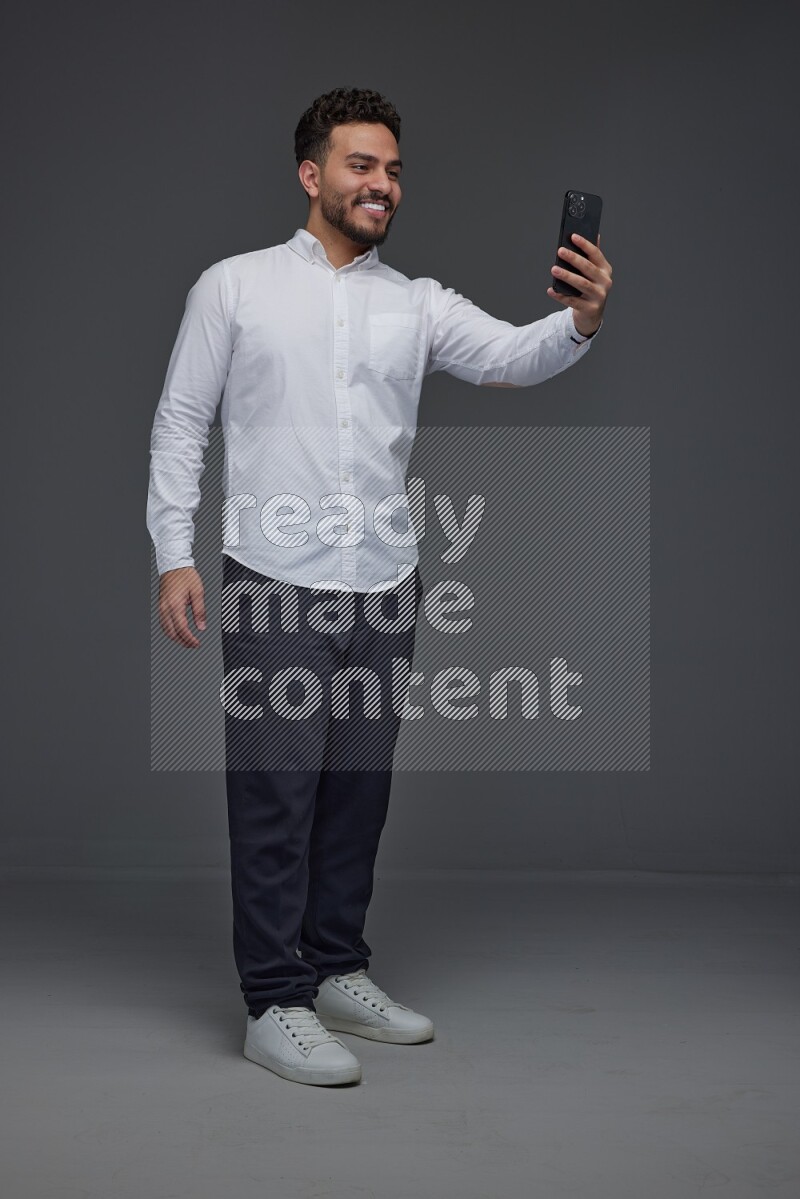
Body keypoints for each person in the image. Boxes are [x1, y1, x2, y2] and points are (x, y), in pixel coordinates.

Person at [146, 86, 613, 1088]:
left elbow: (507, 356)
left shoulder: (416, 302)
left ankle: (334, 967)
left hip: (385, 584)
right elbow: (182, 422)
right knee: (275, 791)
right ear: (311, 175)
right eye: (362, 165)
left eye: (393, 169)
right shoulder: (232, 287)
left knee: (355, 791)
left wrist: (573, 321)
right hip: (274, 580)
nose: (382, 184)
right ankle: (273, 998)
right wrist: (172, 553)